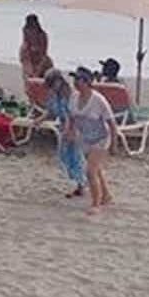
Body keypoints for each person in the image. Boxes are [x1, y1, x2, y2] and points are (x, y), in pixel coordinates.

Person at [68, 67, 119, 215]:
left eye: (78, 79)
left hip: (101, 138)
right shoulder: (74, 97)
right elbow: (71, 117)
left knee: (90, 172)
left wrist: (114, 145)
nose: (75, 82)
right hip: (84, 139)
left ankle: (96, 204)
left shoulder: (98, 100)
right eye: (74, 79)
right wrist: (70, 131)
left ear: (87, 82)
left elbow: (112, 124)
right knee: (96, 170)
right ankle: (107, 196)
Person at [42, 69, 85, 199]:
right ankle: (78, 183)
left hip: (75, 127)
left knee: (75, 156)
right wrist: (38, 120)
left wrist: (69, 130)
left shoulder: (70, 95)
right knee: (65, 156)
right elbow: (50, 111)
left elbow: (72, 116)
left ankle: (80, 185)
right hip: (64, 127)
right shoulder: (54, 95)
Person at [19, 14, 53, 80]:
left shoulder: (42, 35)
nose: (32, 31)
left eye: (34, 28)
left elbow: (44, 54)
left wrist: (37, 71)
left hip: (42, 62)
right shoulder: (26, 31)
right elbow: (25, 56)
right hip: (30, 61)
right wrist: (30, 72)